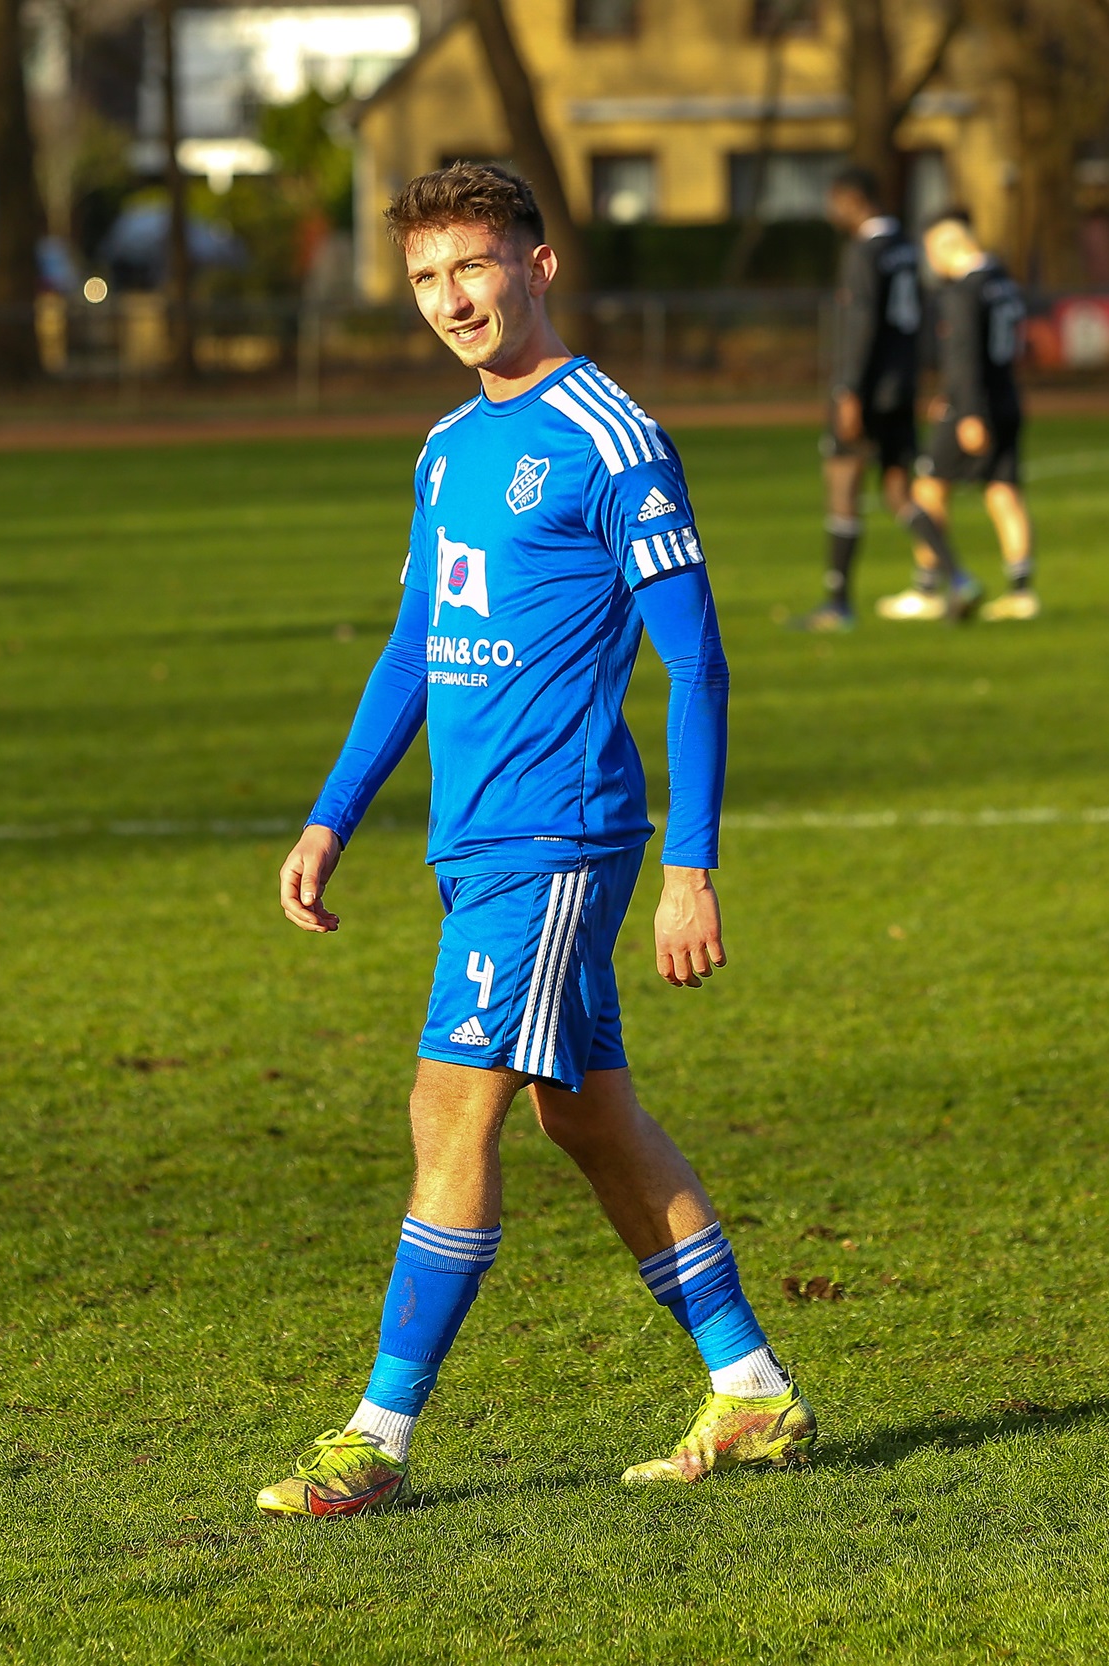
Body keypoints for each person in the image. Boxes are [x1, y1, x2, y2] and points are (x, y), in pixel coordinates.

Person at [264, 162, 811, 1517]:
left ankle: (376, 1437)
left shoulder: (611, 436)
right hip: (475, 839)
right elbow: (412, 653)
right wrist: (333, 815)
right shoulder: (449, 448)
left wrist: (692, 868)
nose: (452, 299)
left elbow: (700, 665)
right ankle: (750, 1387)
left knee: (447, 1105)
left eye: (475, 267)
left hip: (561, 835)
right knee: (589, 1114)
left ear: (538, 265)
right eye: (426, 277)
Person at [795, 165, 973, 630]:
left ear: (853, 201)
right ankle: (959, 578)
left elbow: (862, 325)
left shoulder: (863, 253)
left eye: (835, 202)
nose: (832, 212)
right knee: (900, 490)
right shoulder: (907, 251)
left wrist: (848, 391)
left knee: (842, 483)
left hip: (867, 390)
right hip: (901, 387)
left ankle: (838, 603)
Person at [903, 207, 1038, 623]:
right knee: (1002, 492)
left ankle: (929, 587)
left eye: (931, 251)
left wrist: (966, 412)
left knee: (926, 490)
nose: (931, 262)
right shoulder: (1003, 284)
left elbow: (964, 357)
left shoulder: (963, 291)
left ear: (949, 246)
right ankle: (1021, 592)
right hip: (1008, 399)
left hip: (971, 407)